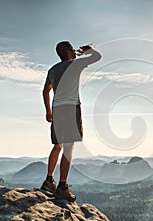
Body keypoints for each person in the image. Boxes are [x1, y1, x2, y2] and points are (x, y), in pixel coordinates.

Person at [40, 41, 101, 201]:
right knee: (68, 147)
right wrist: (87, 50)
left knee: (58, 145)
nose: (75, 52)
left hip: (57, 109)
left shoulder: (52, 70)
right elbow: (97, 57)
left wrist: (48, 110)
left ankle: (49, 180)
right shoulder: (74, 65)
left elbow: (45, 90)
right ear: (68, 52)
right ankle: (62, 186)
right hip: (71, 107)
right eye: (72, 50)